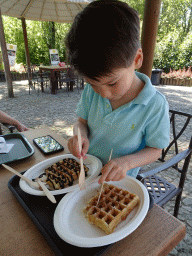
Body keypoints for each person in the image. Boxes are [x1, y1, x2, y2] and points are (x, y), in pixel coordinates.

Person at [66, 0, 170, 184]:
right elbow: (81, 122)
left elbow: (155, 150)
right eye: (92, 84)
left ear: (137, 59)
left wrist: (127, 162)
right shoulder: (92, 93)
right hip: (87, 173)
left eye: (112, 83)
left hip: (120, 181)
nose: (103, 93)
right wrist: (78, 135)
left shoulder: (155, 104)